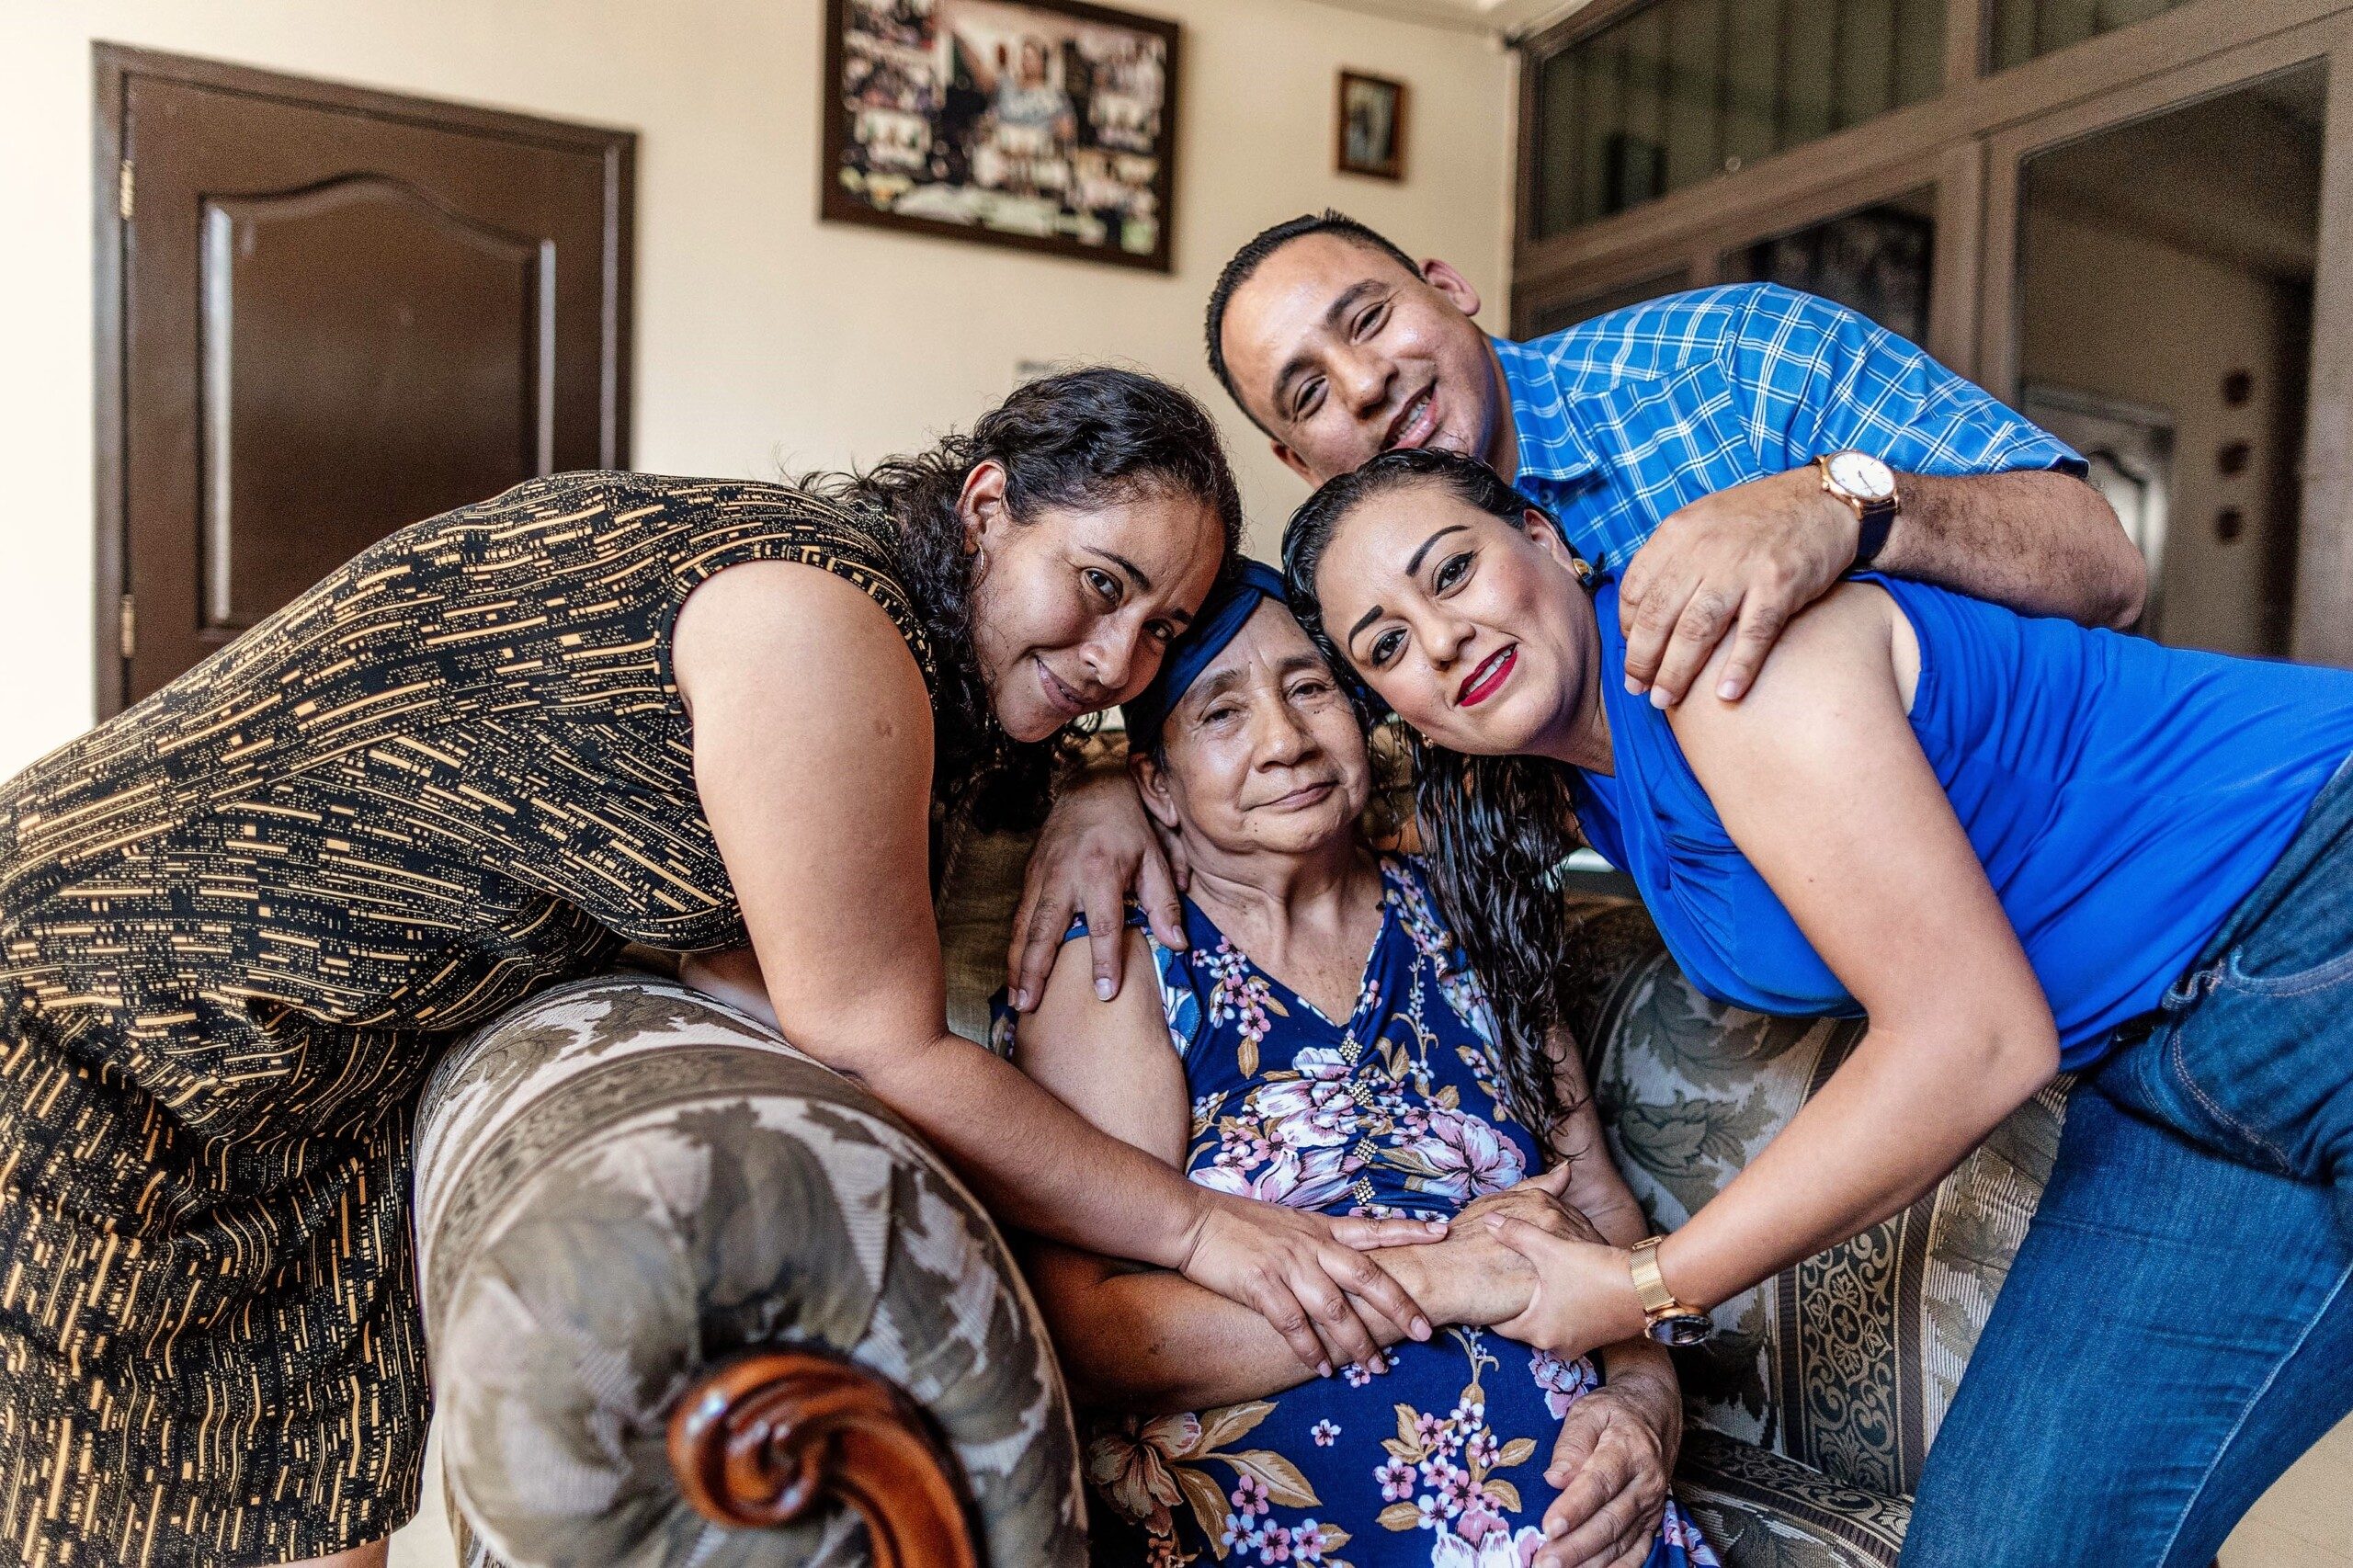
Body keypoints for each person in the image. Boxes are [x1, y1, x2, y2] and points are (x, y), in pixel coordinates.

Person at [0, 369, 1451, 1568]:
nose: (1123, 657)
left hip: (282, 1090)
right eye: (1100, 585)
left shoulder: (898, 639)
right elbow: (878, 1040)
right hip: (102, 1017)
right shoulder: (821, 623)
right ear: (989, 502)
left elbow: (800, 909)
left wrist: (1098, 781)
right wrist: (1206, 1231)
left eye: (1162, 632)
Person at [1283, 447, 2353, 1568]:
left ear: (1545, 540)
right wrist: (1112, 800)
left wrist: (1635, 1287)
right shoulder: (1575, 778)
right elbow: (1282, 790)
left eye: (1451, 571)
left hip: (2311, 888)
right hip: (2162, 1062)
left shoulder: (1722, 662)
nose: (1439, 638)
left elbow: (1972, 1041)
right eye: (1388, 644)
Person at [1006, 210, 2148, 1016]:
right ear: (1299, 458)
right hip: (1984, 986)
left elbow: (2103, 562)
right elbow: (1308, 764)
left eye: (1368, 319)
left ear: (1449, 290)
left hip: (2133, 876)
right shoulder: (1386, 610)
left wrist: (1843, 505)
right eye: (1308, 393)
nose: (1361, 385)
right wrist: (1110, 793)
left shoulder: (1730, 364)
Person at [1000, 562, 1716, 1568]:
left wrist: (1642, 1405)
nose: (1284, 740)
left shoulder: (1467, 909)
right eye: (1218, 712)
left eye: (1308, 687)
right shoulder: (1123, 961)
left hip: (1572, 1506)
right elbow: (1095, 1335)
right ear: (1152, 783)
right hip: (1297, 1508)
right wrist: (1446, 1278)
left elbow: (1599, 1213)